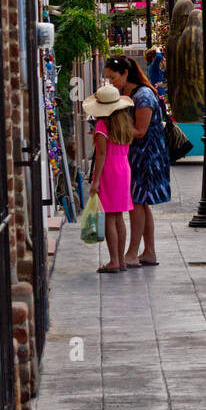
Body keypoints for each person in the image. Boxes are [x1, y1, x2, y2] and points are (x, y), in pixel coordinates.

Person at [104, 55, 172, 268]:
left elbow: (140, 131)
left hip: (148, 155)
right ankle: (148, 251)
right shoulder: (127, 93)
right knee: (141, 202)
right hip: (135, 154)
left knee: (137, 201)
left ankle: (133, 252)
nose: (110, 82)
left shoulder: (143, 95)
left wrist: (111, 132)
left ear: (125, 73)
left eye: (113, 77)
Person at [84, 84, 135, 273]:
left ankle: (113, 260)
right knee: (119, 217)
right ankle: (120, 260)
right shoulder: (125, 121)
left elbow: (101, 155)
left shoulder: (102, 125)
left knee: (109, 217)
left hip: (109, 171)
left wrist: (95, 180)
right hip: (124, 168)